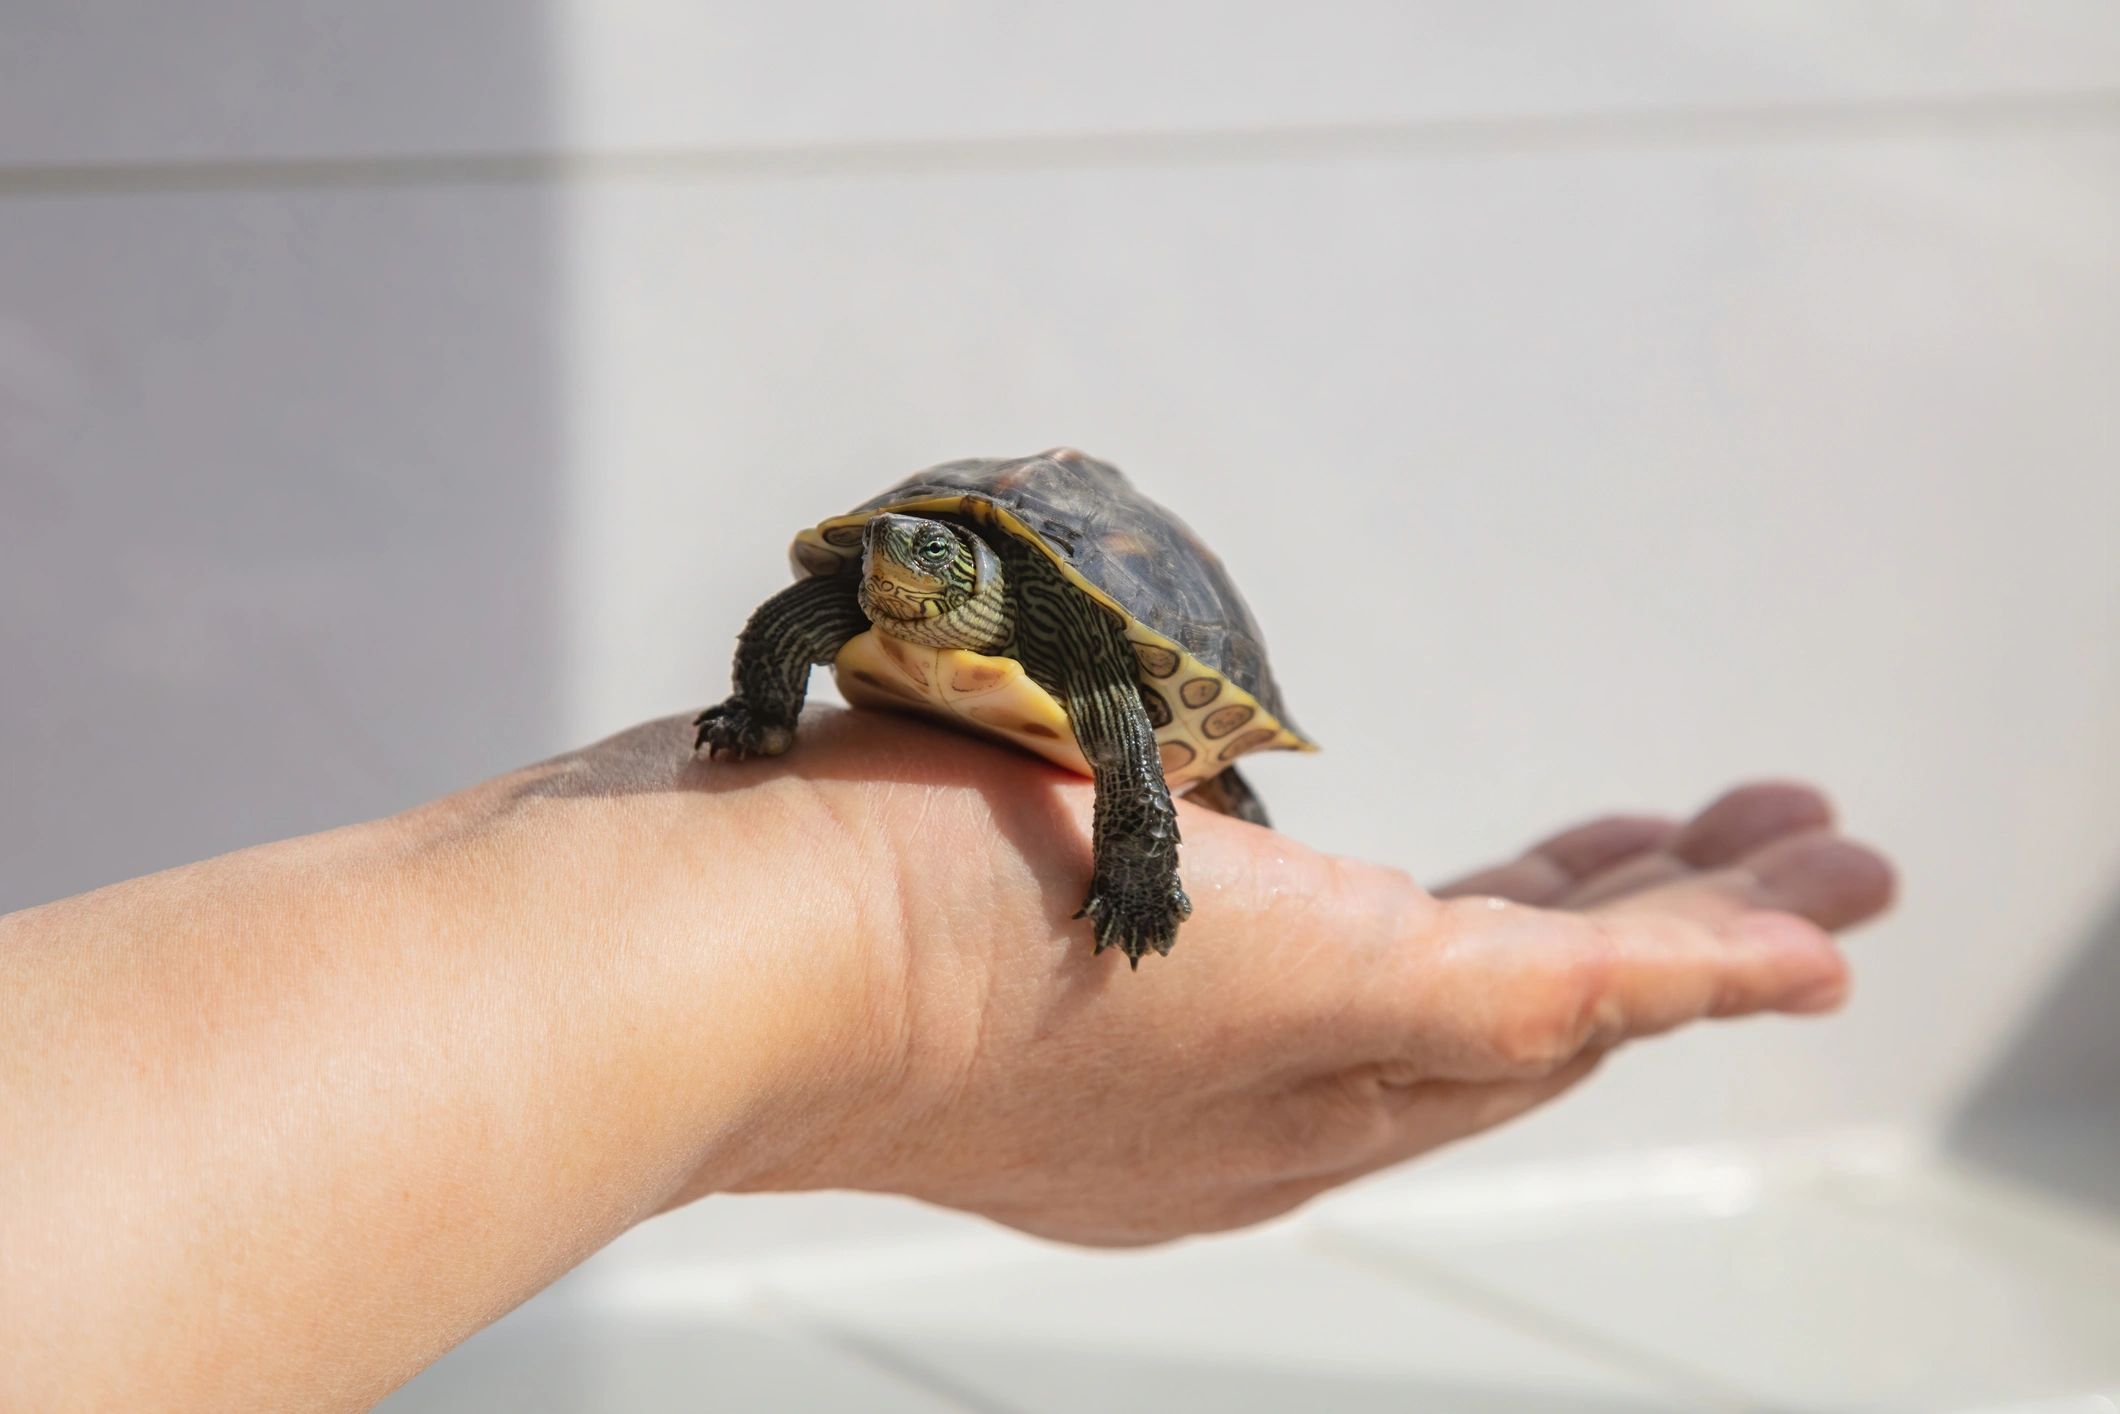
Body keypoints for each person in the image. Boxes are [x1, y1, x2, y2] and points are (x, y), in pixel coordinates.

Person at [0, 708, 1893, 1409]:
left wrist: (1111, 849)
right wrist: (874, 957)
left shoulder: (1064, 644)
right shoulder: (896, 607)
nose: (900, 584)